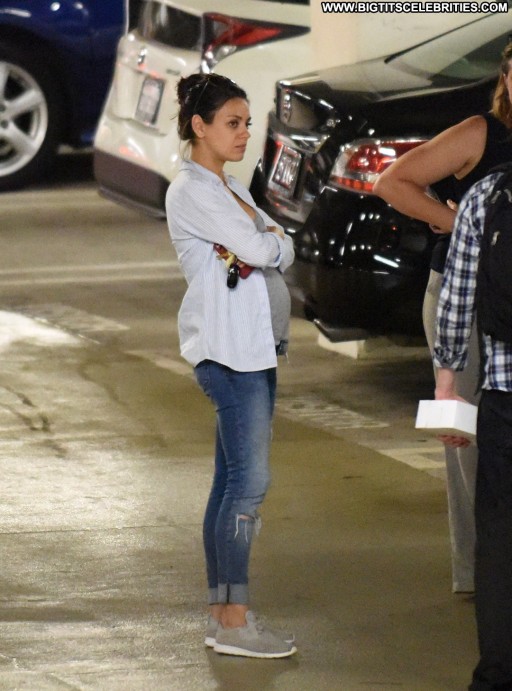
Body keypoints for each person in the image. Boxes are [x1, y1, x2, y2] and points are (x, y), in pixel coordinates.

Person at [165, 73, 296, 659]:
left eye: (246, 122)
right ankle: (236, 623)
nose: (245, 134)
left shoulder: (232, 186)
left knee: (229, 483)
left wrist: (267, 239)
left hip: (254, 349)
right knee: (249, 484)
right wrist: (268, 239)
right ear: (200, 126)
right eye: (232, 123)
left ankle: (223, 613)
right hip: (229, 354)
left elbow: (275, 245)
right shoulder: (192, 191)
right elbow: (267, 248)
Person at [373, 41, 512, 594]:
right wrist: (459, 222)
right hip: (463, 300)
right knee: (471, 441)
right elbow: (391, 181)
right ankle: (481, 576)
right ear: (505, 80)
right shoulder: (481, 134)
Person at [433, 168, 512, 690]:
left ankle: (497, 675)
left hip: (505, 399)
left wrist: (446, 385)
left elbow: (457, 299)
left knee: (499, 543)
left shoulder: (487, 195)